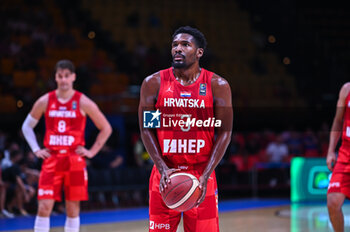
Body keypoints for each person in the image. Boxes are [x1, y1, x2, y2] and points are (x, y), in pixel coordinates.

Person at [138, 26, 233, 232]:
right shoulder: (154, 83)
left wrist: (207, 174)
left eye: (185, 45)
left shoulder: (217, 85)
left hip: (201, 173)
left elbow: (225, 131)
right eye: (174, 45)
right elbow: (147, 129)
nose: (177, 49)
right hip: (165, 173)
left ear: (199, 52)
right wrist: (162, 167)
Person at [21, 60, 112, 232]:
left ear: (73, 77)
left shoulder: (83, 101)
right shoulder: (45, 100)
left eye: (66, 76)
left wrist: (92, 152)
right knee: (44, 207)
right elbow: (26, 127)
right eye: (60, 76)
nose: (63, 80)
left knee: (72, 209)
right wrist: (35, 149)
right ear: (55, 77)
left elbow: (106, 128)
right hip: (52, 158)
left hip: (74, 160)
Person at [327, 82, 350, 232]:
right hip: (345, 155)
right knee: (333, 202)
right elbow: (337, 120)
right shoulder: (346, 89)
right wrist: (330, 150)